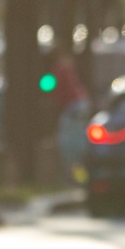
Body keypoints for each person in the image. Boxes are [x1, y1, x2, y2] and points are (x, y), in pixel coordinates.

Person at [45, 49, 90, 182]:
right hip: (78, 107)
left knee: (68, 145)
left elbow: (50, 86)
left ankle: (76, 178)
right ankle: (79, 178)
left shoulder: (59, 69)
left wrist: (46, 89)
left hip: (73, 109)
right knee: (76, 144)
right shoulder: (67, 68)